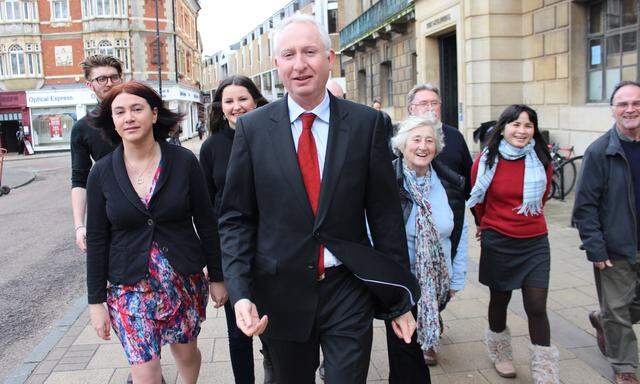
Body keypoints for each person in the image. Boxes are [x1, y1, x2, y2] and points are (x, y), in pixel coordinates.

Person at [218, 14, 419, 384]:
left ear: (329, 58)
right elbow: (236, 218)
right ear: (277, 64)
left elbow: (385, 215)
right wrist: (241, 292)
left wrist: (398, 301)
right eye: (289, 54)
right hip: (279, 293)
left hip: (348, 288)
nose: (300, 64)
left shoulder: (366, 124)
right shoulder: (253, 129)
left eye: (310, 52)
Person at [85, 81, 227, 384]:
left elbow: (206, 221)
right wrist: (96, 301)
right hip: (129, 288)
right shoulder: (101, 172)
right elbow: (97, 238)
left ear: (153, 113)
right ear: (112, 121)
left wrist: (217, 277)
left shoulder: (184, 161)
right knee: (146, 373)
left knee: (187, 354)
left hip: (181, 281)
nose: (129, 117)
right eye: (120, 112)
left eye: (137, 109)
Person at [468, 104, 559, 381]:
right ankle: (500, 352)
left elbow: (541, 199)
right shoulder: (487, 159)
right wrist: (487, 225)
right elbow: (477, 200)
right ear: (504, 128)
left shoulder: (542, 159)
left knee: (536, 305)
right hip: (498, 240)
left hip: (534, 241)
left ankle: (545, 369)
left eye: (528, 125)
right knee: (500, 298)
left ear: (534, 130)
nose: (522, 130)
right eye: (516, 124)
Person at [199, 75, 274, 384]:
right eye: (228, 101)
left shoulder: (274, 138)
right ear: (221, 107)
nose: (236, 107)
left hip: (273, 249)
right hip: (232, 252)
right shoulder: (212, 147)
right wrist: (214, 269)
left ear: (255, 100)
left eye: (242, 99)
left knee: (274, 328)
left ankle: (276, 374)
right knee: (238, 331)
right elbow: (205, 211)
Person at [386, 115, 468, 383]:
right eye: (416, 139)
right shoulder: (385, 182)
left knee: (408, 355)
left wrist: (457, 276)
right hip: (400, 287)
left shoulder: (449, 182)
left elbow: (460, 231)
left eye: (429, 140)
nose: (423, 146)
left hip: (435, 284)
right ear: (401, 144)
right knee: (407, 352)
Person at [573, 81, 640, 384]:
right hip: (616, 248)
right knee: (617, 308)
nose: (630, 109)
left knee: (620, 311)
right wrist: (595, 248)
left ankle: (604, 321)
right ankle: (625, 366)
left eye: (636, 103)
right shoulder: (600, 152)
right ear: (613, 110)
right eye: (623, 104)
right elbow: (585, 207)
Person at [406, 83, 473, 364]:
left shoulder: (455, 138)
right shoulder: (399, 146)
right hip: (407, 258)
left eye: (434, 102)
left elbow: (466, 180)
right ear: (411, 109)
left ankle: (431, 321)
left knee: (435, 289)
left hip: (445, 221)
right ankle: (423, 336)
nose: (430, 108)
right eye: (423, 103)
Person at [71, 55, 122, 252]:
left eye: (114, 77)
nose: (109, 83)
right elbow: (79, 179)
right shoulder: (83, 128)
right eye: (101, 79)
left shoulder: (140, 114)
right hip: (111, 210)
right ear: (90, 85)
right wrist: (79, 225)